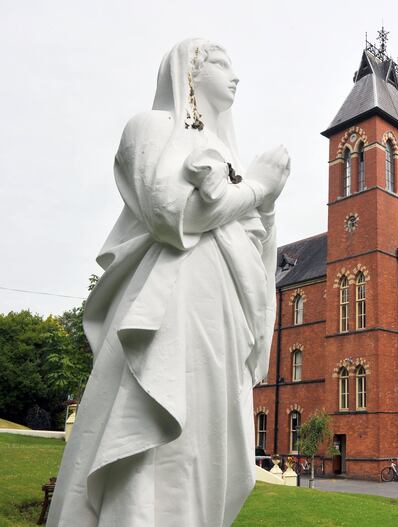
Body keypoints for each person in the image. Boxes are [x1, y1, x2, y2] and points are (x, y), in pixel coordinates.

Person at [46, 38, 290, 527]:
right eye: (221, 63)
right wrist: (258, 188)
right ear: (189, 72)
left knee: (207, 439)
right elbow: (169, 213)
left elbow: (258, 248)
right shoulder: (151, 127)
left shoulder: (228, 155)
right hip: (170, 303)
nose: (235, 75)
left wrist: (264, 202)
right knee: (152, 426)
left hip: (222, 311)